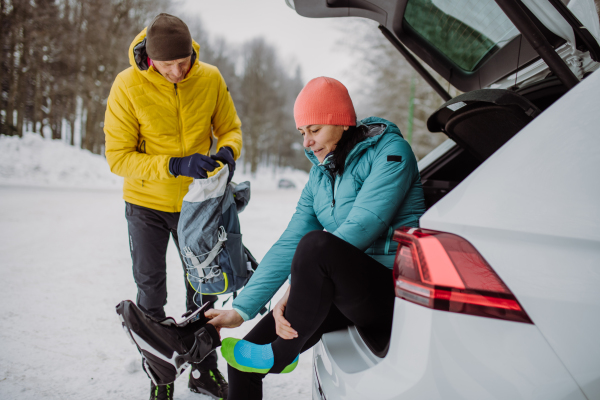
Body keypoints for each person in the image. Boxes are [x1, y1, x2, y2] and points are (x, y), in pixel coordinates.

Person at [205, 77, 426, 399]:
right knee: (243, 358)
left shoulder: (392, 153)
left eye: (314, 130)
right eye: (302, 133)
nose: (306, 142)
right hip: (341, 287)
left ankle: (282, 354)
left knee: (317, 245)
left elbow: (365, 223)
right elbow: (290, 241)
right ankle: (274, 351)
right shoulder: (321, 176)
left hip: (390, 289)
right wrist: (240, 310)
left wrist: (295, 289)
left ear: (341, 122)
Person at [104, 13, 241, 400]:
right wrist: (175, 164)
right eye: (169, 65)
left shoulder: (209, 77)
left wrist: (228, 151)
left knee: (202, 293)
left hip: (196, 205)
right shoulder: (127, 86)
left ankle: (203, 371)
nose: (179, 72)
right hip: (145, 204)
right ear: (150, 57)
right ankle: (161, 379)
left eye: (184, 62)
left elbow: (230, 127)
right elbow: (118, 157)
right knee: (150, 294)